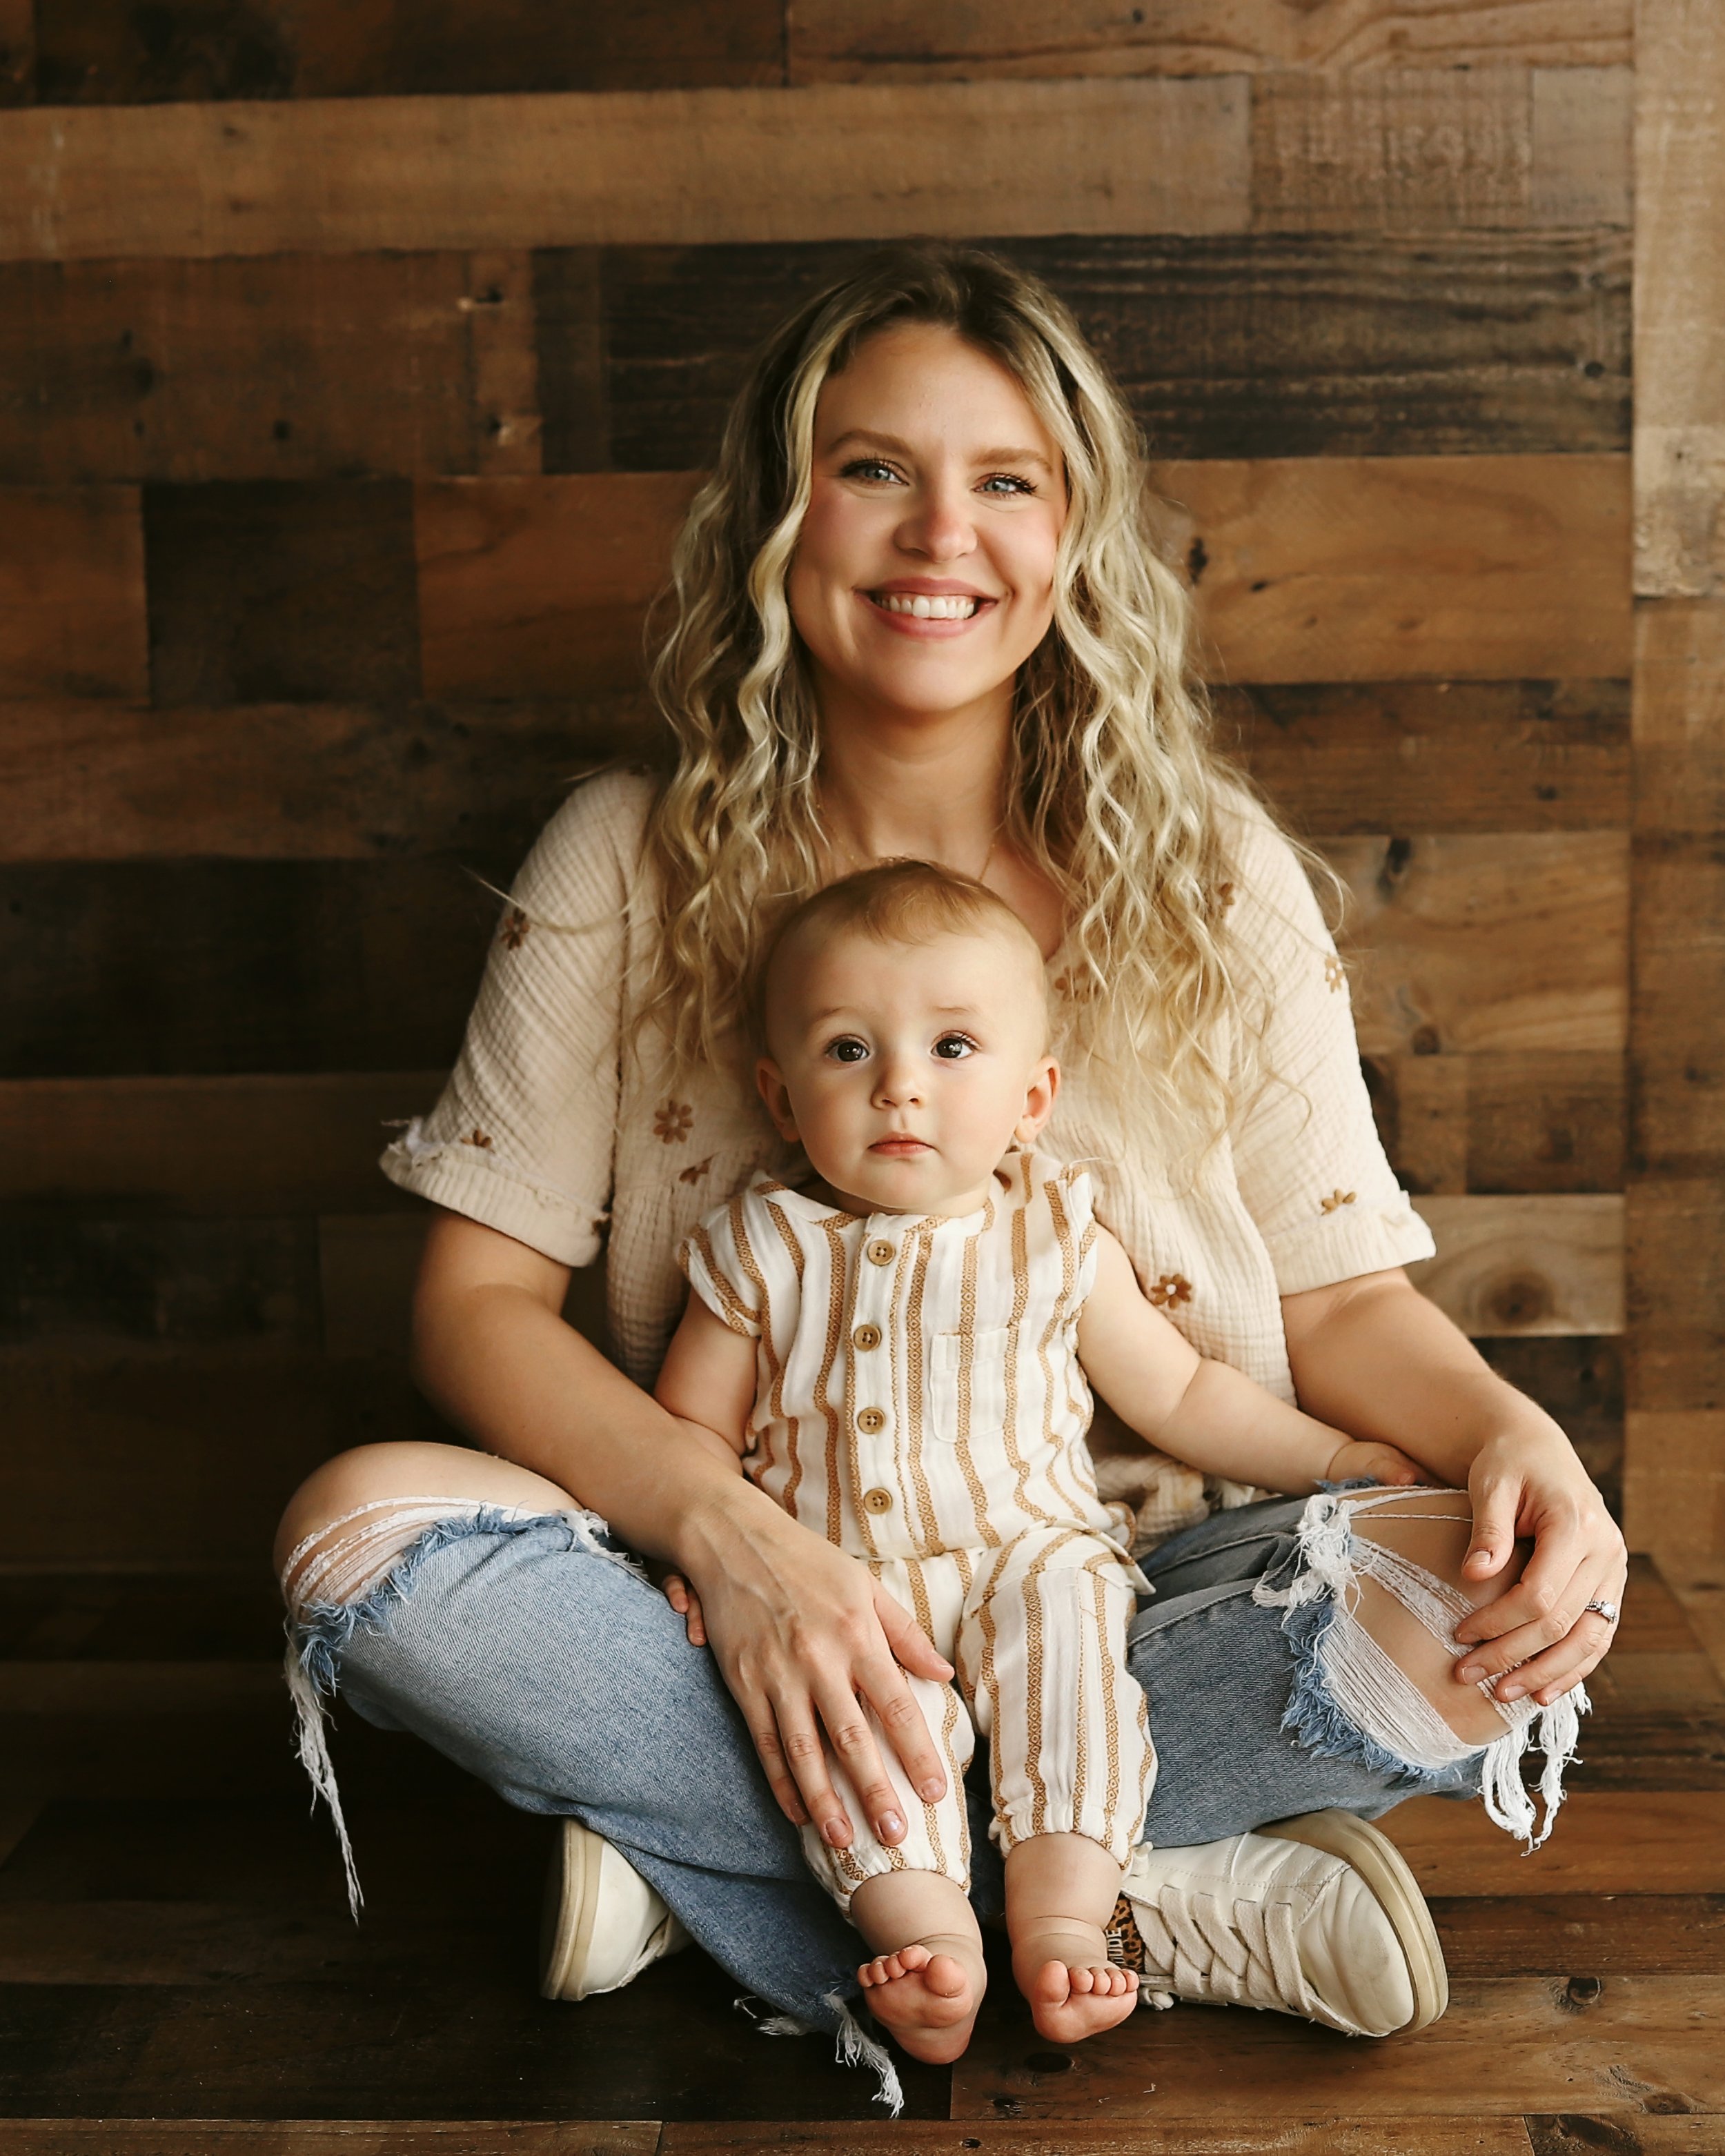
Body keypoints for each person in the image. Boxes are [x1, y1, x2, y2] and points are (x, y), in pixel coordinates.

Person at [273, 241, 1625, 2106]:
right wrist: (739, 1552)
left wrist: (1515, 1446)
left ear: (1072, 537)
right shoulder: (623, 858)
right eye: (873, 469)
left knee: (1492, 1607)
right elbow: (473, 1302)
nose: (940, 536)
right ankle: (1128, 1890)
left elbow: (1333, 1304)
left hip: (1141, 1599)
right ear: (778, 514)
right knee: (362, 1534)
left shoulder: (1208, 873)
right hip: (766, 1597)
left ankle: (742, 1878)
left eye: (1005, 481)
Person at [659, 856, 1432, 2062]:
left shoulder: (1055, 1227)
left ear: (1033, 1096)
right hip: (848, 1585)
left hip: (1036, 1556)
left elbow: (1180, 1389)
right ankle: (930, 1940)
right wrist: (697, 1547)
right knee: (868, 1733)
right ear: (778, 1088)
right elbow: (690, 1434)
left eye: (953, 1047)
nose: (901, 1087)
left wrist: (1335, 1452)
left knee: (1071, 1688)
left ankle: (1065, 1916)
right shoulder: (765, 1247)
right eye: (849, 1050)